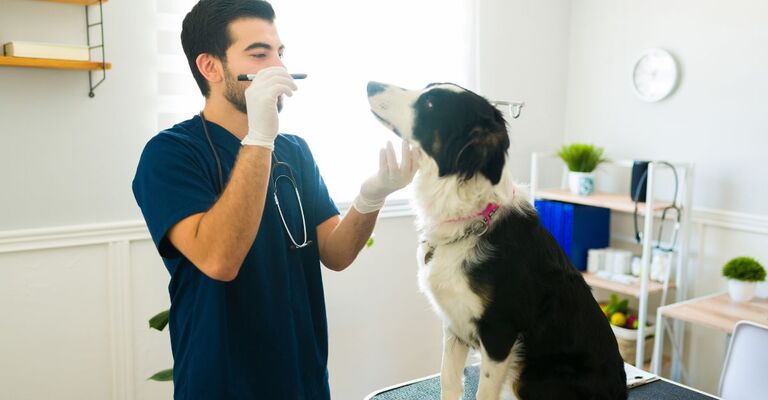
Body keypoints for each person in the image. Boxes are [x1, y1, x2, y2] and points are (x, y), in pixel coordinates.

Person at [131, 1, 418, 398]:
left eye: (280, 53)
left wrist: (372, 196)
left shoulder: (295, 151)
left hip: (303, 380)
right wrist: (260, 137)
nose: (279, 67)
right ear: (210, 67)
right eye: (259, 54)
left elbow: (335, 253)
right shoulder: (170, 154)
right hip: (223, 385)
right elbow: (219, 259)